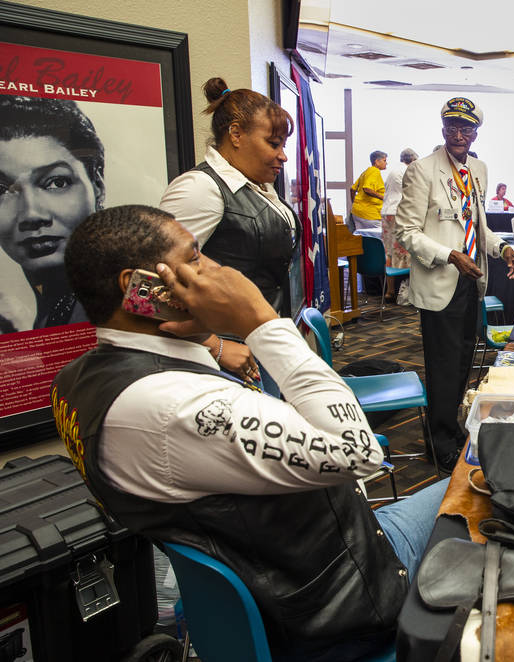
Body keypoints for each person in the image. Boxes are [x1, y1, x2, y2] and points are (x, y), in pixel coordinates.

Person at [52, 204, 448, 661]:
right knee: (487, 484)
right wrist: (260, 320)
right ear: (140, 287)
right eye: (196, 257)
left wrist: (210, 341)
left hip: (318, 558)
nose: (218, 272)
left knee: (475, 472)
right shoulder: (171, 405)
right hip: (341, 605)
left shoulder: (78, 377)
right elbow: (358, 453)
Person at [395, 97, 514, 473]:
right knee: (443, 367)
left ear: (476, 132)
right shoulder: (421, 170)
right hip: (440, 283)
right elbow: (406, 232)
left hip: (471, 283)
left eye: (466, 128)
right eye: (452, 126)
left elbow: (476, 225)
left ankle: (453, 428)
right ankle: (440, 447)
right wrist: (449, 254)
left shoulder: (478, 169)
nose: (458, 134)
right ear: (442, 129)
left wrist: (502, 247)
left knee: (464, 361)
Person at [159, 77, 294, 381]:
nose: (283, 156)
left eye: (283, 146)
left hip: (259, 342)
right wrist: (214, 345)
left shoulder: (258, 186)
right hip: (225, 360)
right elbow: (151, 278)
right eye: (273, 144)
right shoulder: (200, 189)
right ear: (235, 134)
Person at [0, 95, 104, 329]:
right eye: (3, 190)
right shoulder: (28, 311)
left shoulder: (128, 296)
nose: (32, 214)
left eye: (56, 183)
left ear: (97, 186)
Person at [379, 148, 418, 300]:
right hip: (401, 212)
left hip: (387, 212)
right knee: (407, 251)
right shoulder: (409, 171)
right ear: (413, 160)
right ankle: (408, 292)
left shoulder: (393, 171)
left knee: (388, 251)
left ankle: (390, 291)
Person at [350, 150, 387, 232]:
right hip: (370, 214)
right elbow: (366, 189)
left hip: (357, 212)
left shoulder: (365, 172)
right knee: (384, 237)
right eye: (384, 160)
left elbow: (352, 189)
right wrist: (383, 197)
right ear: (377, 161)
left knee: (363, 239)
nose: (386, 163)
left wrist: (355, 203)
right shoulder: (375, 171)